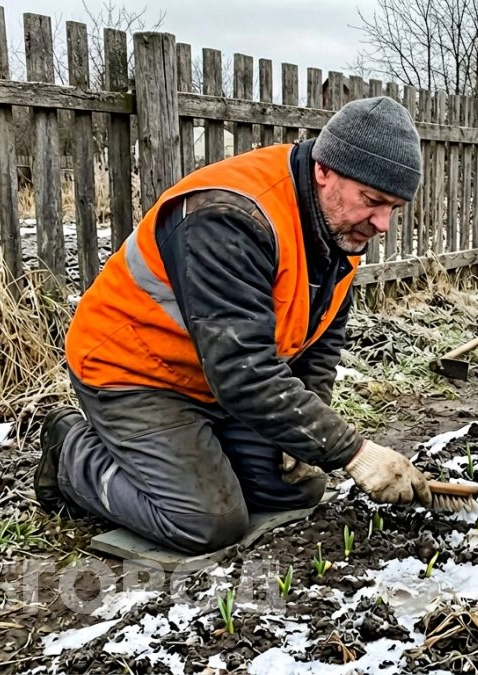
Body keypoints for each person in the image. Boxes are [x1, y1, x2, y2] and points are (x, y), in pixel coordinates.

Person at [35, 97, 432, 555]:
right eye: (373, 201)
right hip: (135, 372)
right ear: (325, 171)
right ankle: (70, 451)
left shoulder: (338, 222)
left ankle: (199, 450)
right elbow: (242, 371)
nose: (382, 223)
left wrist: (307, 437)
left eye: (394, 208)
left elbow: (321, 340)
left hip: (214, 380)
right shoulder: (230, 217)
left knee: (296, 488)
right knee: (208, 523)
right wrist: (354, 453)